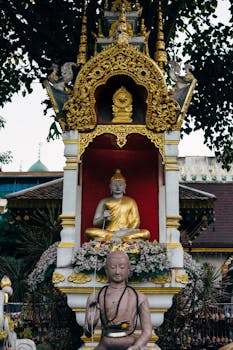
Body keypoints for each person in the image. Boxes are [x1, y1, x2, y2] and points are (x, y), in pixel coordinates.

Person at [84, 251, 152, 350]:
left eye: (122, 267)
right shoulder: (95, 297)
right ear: (106, 270)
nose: (117, 271)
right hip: (104, 345)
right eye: (112, 267)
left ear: (128, 270)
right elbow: (88, 334)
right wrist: (91, 324)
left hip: (130, 345)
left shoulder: (139, 297)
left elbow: (147, 331)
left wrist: (137, 347)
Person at [85, 169, 150, 242]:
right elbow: (95, 223)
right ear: (110, 186)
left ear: (125, 186)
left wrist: (127, 231)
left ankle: (111, 239)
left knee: (146, 233)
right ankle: (121, 238)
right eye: (115, 185)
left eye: (120, 185)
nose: (118, 187)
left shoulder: (131, 201)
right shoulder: (104, 201)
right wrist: (103, 217)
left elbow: (136, 221)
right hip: (109, 231)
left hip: (126, 231)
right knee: (88, 231)